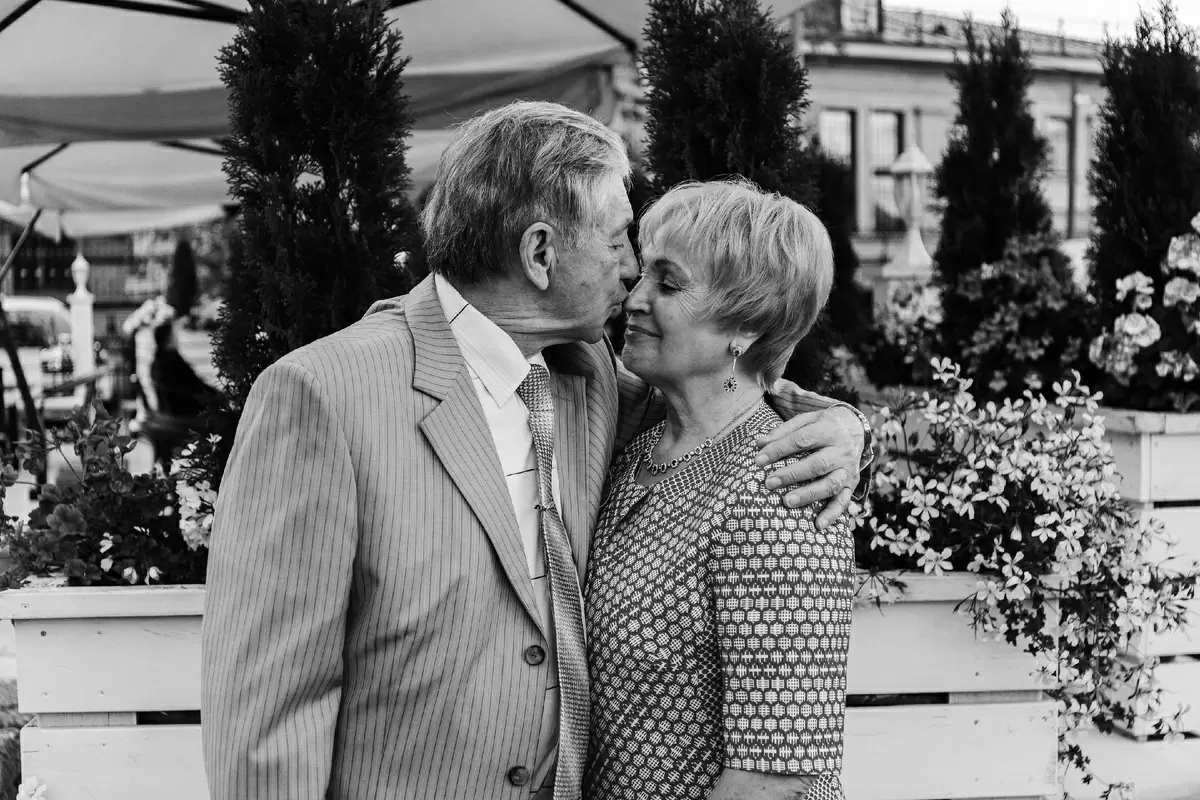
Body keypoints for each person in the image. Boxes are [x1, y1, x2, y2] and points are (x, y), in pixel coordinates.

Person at [201, 101, 870, 800]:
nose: (631, 272)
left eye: (659, 273)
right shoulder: (324, 394)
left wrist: (850, 429)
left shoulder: (589, 375)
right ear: (540, 253)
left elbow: (728, 404)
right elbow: (268, 712)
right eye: (618, 241)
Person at [584, 180, 854, 800]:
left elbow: (775, 777)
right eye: (644, 274)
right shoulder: (639, 444)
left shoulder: (782, 486)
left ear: (747, 327)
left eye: (669, 284)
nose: (635, 298)